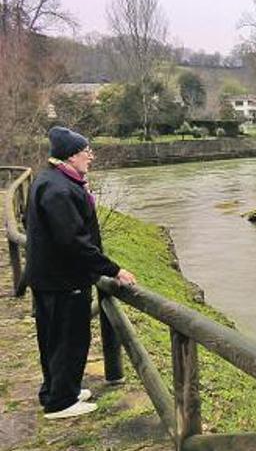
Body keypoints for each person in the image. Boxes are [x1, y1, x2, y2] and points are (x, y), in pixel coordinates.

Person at [22, 126, 136, 419]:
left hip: (51, 278)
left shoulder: (49, 179)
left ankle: (59, 390)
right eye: (87, 152)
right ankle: (61, 403)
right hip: (63, 281)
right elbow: (74, 242)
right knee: (68, 340)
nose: (91, 157)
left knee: (53, 338)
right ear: (71, 156)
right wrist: (113, 269)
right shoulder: (60, 190)